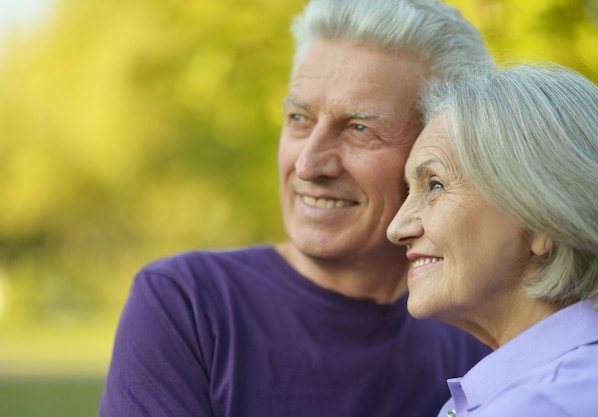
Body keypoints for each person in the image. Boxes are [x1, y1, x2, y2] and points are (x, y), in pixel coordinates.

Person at [100, 0, 494, 416]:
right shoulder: (187, 305)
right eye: (299, 119)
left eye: (360, 128)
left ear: (438, 157)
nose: (308, 164)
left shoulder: (483, 341)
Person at [387, 63, 598, 417]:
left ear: (543, 216)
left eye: (435, 185)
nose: (397, 227)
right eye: (409, 191)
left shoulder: (543, 406)